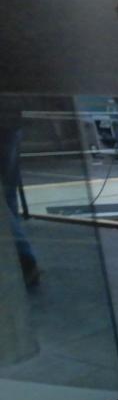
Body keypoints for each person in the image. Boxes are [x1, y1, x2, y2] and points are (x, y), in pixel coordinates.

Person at [0, 101, 39, 288]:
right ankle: (21, 260)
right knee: (8, 194)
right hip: (11, 124)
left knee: (5, 201)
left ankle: (24, 257)